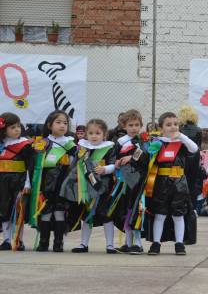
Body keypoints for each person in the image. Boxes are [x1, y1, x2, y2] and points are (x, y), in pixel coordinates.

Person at [145, 111, 199, 256]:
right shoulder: (157, 142)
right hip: (161, 182)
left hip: (179, 183)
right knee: (160, 214)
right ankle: (156, 243)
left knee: (178, 214)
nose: (173, 127)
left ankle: (179, 244)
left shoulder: (181, 143)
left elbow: (194, 149)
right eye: (168, 125)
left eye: (175, 124)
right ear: (161, 127)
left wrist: (181, 136)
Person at [61, 119, 117, 253]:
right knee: (87, 214)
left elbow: (114, 164)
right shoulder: (82, 148)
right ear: (86, 134)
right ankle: (83, 244)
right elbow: (75, 165)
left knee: (105, 214)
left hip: (103, 186)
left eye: (98, 133)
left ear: (104, 135)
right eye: (91, 133)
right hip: (86, 186)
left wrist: (105, 169)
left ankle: (110, 245)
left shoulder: (109, 148)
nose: (94, 136)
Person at [29, 110, 77, 252]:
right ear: (49, 125)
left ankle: (58, 242)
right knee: (45, 210)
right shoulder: (42, 143)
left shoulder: (70, 144)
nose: (62, 125)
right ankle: (43, 242)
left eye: (65, 123)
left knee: (60, 211)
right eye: (58, 122)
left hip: (63, 183)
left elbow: (76, 163)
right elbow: (34, 165)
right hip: (46, 182)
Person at [111, 109, 147, 255]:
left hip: (138, 180)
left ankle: (138, 243)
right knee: (126, 210)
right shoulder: (120, 142)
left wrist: (131, 158)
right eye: (130, 125)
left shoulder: (143, 140)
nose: (134, 128)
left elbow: (146, 156)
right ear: (124, 126)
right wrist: (116, 162)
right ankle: (128, 242)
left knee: (137, 210)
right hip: (124, 181)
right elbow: (115, 158)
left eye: (137, 125)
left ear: (141, 125)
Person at [0, 113, 35, 251]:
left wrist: (27, 183)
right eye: (12, 127)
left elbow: (30, 166)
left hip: (19, 181)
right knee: (4, 210)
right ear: (4, 130)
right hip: (3, 183)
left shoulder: (25, 145)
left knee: (18, 209)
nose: (17, 130)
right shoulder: (2, 144)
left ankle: (18, 240)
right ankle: (7, 240)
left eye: (18, 126)